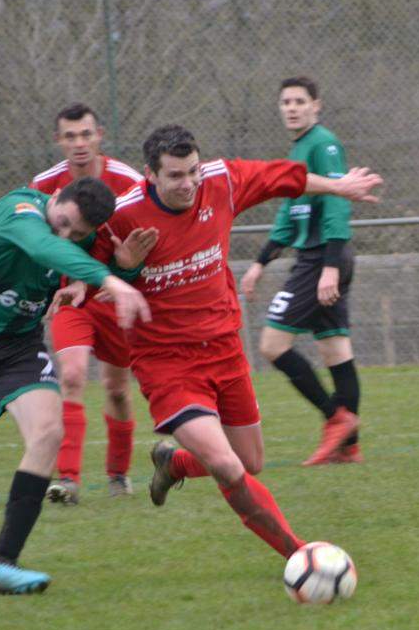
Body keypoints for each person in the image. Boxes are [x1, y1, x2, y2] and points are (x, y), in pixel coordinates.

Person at [80, 124, 381, 560]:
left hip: (224, 350)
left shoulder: (219, 181)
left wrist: (339, 186)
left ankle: (173, 463)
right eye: (175, 176)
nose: (188, 184)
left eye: (192, 172)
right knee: (226, 466)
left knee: (249, 461)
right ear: (150, 174)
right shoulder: (122, 216)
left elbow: (285, 177)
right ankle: (300, 556)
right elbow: (84, 278)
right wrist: (124, 268)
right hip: (167, 363)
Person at [0, 178, 153, 596]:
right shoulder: (18, 211)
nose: (65, 234)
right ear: (55, 198)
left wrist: (112, 274)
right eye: (62, 222)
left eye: (77, 233)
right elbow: (46, 247)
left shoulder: (82, 236)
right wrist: (114, 282)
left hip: (18, 347)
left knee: (48, 432)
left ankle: (2, 564)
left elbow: (84, 265)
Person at [239, 76, 363, 466]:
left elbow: (339, 204)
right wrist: (261, 261)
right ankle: (349, 447)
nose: (291, 108)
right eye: (285, 102)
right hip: (317, 258)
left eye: (299, 101)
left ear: (316, 106)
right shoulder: (297, 151)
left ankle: (335, 419)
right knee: (335, 348)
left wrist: (329, 267)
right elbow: (289, 214)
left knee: (272, 345)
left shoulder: (324, 144)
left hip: (322, 259)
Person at [31, 103, 145, 504]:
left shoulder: (129, 181)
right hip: (69, 297)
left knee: (116, 388)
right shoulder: (44, 185)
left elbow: (138, 245)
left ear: (100, 135)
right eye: (70, 136)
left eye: (86, 134)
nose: (79, 143)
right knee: (73, 376)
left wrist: (118, 273)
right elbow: (37, 244)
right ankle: (68, 479)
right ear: (58, 140)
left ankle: (118, 474)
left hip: (114, 296)